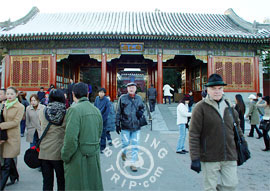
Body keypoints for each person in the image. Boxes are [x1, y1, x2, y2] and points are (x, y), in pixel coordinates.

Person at [189, 74, 247, 191]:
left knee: (231, 185)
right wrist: (195, 158)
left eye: (219, 88)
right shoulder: (200, 108)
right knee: (210, 188)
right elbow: (194, 134)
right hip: (210, 156)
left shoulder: (229, 106)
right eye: (213, 89)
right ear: (207, 90)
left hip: (229, 155)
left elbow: (237, 127)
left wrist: (244, 143)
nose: (217, 91)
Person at [61, 82, 103, 190]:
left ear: (73, 94)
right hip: (93, 155)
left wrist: (65, 156)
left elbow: (70, 139)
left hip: (78, 157)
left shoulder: (74, 110)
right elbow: (99, 133)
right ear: (87, 94)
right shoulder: (96, 110)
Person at [39, 89, 66, 191]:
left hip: (44, 151)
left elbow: (41, 125)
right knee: (61, 181)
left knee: (47, 182)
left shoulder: (42, 111)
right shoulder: (66, 113)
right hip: (59, 152)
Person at [116, 82, 145, 172]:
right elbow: (118, 111)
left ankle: (133, 163)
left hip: (136, 125)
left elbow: (142, 108)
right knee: (125, 143)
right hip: (125, 125)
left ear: (136, 88)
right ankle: (124, 153)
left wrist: (140, 112)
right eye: (129, 87)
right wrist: (117, 123)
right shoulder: (122, 98)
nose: (131, 89)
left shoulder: (139, 98)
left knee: (135, 145)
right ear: (127, 89)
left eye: (133, 87)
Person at [0, 87, 24, 190]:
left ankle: (1, 186)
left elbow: (15, 122)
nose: (9, 96)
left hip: (13, 137)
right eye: (8, 94)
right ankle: (15, 176)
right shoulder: (4, 104)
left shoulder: (20, 106)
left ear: (16, 94)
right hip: (4, 136)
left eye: (11, 94)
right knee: (8, 159)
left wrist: (1, 125)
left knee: (7, 163)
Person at [94, 88, 110, 153]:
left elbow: (107, 111)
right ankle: (96, 146)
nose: (101, 93)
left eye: (102, 92)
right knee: (96, 133)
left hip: (103, 119)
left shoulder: (106, 100)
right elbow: (94, 107)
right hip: (96, 118)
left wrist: (102, 119)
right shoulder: (97, 99)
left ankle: (102, 147)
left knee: (103, 133)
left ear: (104, 93)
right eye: (100, 92)